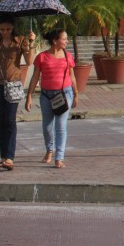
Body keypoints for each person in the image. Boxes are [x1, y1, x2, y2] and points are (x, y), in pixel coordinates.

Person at [0, 15, 33, 171]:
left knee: (10, 120)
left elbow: (29, 61)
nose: (5, 32)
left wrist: (31, 43)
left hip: (14, 84)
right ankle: (3, 155)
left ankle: (10, 157)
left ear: (13, 28)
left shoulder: (20, 40)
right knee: (2, 120)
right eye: (2, 29)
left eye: (8, 29)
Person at [25, 29, 78, 169]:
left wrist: (76, 93)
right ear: (55, 41)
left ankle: (59, 157)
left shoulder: (68, 56)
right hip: (46, 95)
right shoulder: (42, 57)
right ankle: (49, 149)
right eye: (64, 39)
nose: (67, 41)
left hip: (64, 94)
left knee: (61, 126)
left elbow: (72, 76)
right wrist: (29, 95)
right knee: (47, 127)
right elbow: (35, 76)